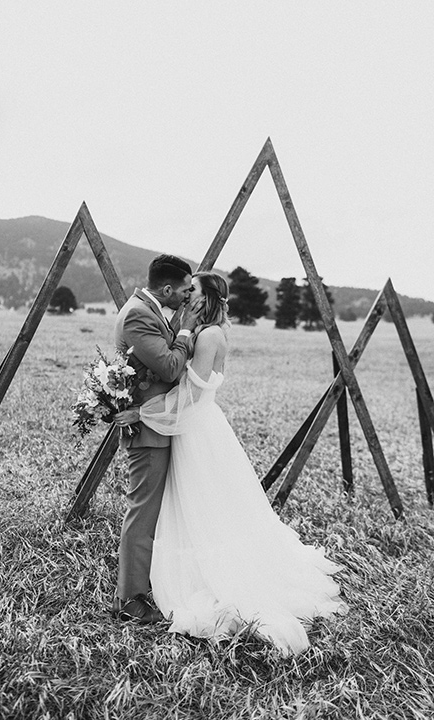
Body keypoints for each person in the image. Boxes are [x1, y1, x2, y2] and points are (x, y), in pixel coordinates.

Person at [115, 271, 347, 655]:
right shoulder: (207, 330)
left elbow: (189, 393)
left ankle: (213, 574)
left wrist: (141, 414)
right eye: (186, 290)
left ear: (206, 299)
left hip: (195, 429)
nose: (188, 296)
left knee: (204, 504)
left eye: (195, 292)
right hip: (195, 427)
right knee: (200, 505)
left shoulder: (207, 336)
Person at [112, 254, 203, 624]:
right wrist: (186, 331)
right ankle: (129, 599)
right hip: (147, 431)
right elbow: (167, 365)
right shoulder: (137, 315)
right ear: (166, 288)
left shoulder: (150, 311)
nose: (186, 296)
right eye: (183, 290)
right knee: (142, 513)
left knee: (153, 511)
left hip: (159, 426)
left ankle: (147, 585)